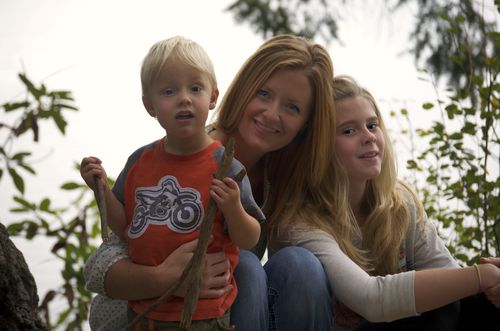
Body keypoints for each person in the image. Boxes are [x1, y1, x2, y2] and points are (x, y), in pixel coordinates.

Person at [83, 34, 336, 331]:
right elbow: (98, 269)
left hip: (220, 312)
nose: (271, 113)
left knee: (300, 266)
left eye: (292, 108)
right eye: (264, 94)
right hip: (143, 313)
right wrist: (169, 277)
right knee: (247, 268)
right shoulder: (179, 154)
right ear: (243, 89)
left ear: (306, 122)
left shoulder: (284, 181)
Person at [269, 75, 500, 331]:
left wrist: (491, 282)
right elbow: (372, 299)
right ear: (319, 148)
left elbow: (450, 277)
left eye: (372, 125)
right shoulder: (299, 221)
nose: (368, 137)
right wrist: (480, 276)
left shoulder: (400, 202)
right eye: (348, 130)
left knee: (475, 302)